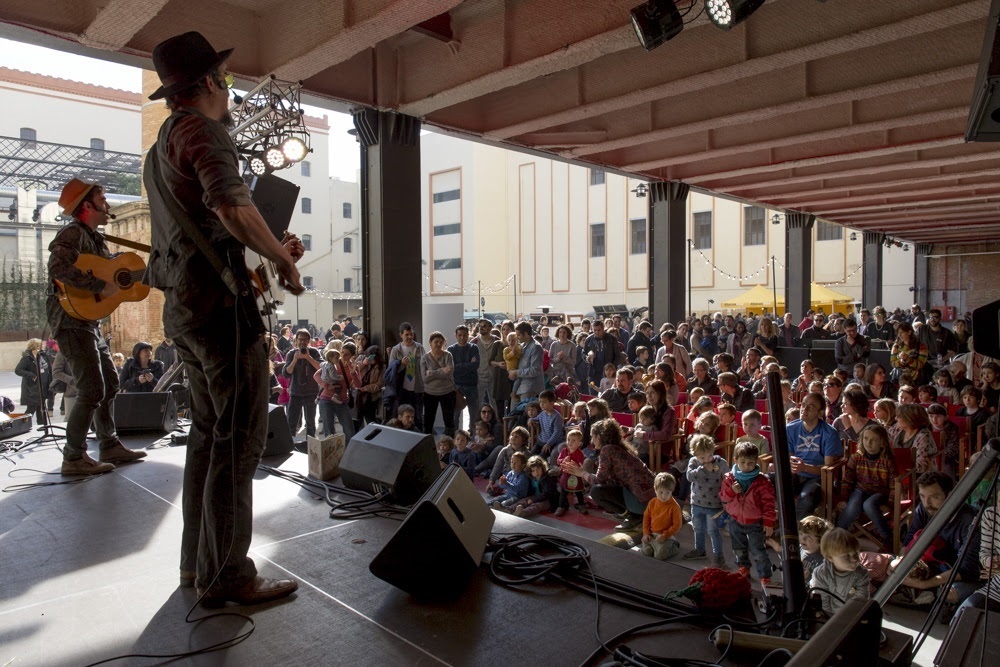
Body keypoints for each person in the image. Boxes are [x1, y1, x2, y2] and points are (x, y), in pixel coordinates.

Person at [144, 31, 304, 604]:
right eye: (227, 79)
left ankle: (198, 566)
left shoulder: (160, 147)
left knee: (210, 438)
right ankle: (229, 575)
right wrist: (282, 258)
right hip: (219, 315)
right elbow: (232, 207)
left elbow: (205, 231)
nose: (230, 91)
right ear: (210, 82)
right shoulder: (203, 132)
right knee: (238, 443)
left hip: (186, 311)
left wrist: (269, 247)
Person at [47, 179, 145, 475]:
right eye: (102, 200)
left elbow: (113, 274)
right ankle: (73, 457)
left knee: (111, 383)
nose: (108, 205)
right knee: (91, 389)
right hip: (71, 322)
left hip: (89, 322)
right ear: (87, 206)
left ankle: (109, 444)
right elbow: (58, 269)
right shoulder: (72, 233)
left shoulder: (97, 240)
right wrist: (99, 286)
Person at [887, 471, 981, 609]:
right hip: (929, 564)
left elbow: (966, 569)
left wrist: (924, 584)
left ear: (950, 494)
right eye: (922, 496)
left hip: (957, 572)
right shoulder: (924, 509)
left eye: (934, 497)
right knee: (883, 564)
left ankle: (928, 595)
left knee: (950, 593)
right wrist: (901, 563)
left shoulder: (971, 521)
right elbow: (909, 540)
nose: (927, 503)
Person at [561, 418, 655, 531]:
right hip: (650, 498)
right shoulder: (619, 448)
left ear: (598, 437)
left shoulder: (607, 450)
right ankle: (633, 514)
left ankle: (634, 517)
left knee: (596, 491)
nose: (591, 441)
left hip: (642, 502)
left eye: (592, 437)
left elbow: (598, 480)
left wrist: (582, 473)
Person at [720, 441, 776, 587]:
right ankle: (743, 567)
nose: (746, 466)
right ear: (735, 460)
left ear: (756, 461)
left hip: (754, 522)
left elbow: (769, 503)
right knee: (738, 548)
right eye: (743, 462)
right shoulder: (729, 478)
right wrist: (732, 491)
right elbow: (723, 497)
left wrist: (769, 521)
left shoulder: (762, 481)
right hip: (735, 520)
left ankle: (765, 576)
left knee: (758, 551)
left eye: (750, 463)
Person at [836, 426, 896, 550]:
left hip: (880, 493)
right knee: (853, 505)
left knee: (869, 504)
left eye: (874, 440)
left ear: (882, 443)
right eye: (866, 439)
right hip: (860, 489)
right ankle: (837, 534)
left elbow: (893, 486)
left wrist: (890, 504)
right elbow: (847, 480)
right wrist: (843, 498)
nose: (868, 443)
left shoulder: (887, 461)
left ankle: (887, 537)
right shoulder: (856, 457)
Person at [786, 393, 844, 520]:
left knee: (807, 497)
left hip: (816, 478)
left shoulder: (829, 433)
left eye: (810, 407)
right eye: (803, 405)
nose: (804, 409)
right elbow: (789, 457)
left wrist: (804, 467)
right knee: (765, 481)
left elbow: (826, 469)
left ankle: (796, 529)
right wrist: (792, 463)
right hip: (794, 475)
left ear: (820, 412)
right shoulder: (790, 428)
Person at [685, 434, 730, 566]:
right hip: (696, 503)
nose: (706, 460)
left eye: (709, 456)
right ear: (695, 455)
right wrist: (703, 469)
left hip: (714, 505)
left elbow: (727, 481)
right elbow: (689, 477)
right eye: (702, 457)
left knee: (713, 531)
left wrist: (726, 500)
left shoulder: (721, 463)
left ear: (713, 450)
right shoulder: (694, 462)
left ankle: (719, 556)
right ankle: (700, 550)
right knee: (698, 528)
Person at [810, 529, 870, 616]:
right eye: (847, 555)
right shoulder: (821, 574)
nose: (854, 559)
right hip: (828, 616)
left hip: (851, 615)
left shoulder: (861, 574)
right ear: (830, 558)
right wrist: (829, 618)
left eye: (856, 553)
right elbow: (822, 603)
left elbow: (861, 602)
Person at [283, 329, 322, 437]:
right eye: (300, 339)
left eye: (305, 340)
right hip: (295, 393)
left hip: (311, 393)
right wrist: (295, 360)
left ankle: (310, 445)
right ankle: (291, 444)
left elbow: (321, 368)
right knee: (291, 423)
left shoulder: (314, 352)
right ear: (296, 340)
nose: (302, 342)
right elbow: (286, 373)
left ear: (309, 341)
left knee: (310, 424)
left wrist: (308, 357)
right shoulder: (291, 353)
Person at [389, 322, 426, 430]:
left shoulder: (419, 348)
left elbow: (425, 365)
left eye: (411, 334)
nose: (410, 337)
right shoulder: (396, 350)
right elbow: (391, 371)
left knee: (418, 417)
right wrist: (401, 365)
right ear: (401, 335)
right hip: (402, 390)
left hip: (417, 389)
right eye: (407, 334)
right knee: (401, 417)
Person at [421, 331, 457, 438]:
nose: (438, 344)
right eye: (436, 342)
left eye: (441, 342)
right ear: (430, 343)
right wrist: (442, 370)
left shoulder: (448, 355)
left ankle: (449, 442)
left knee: (449, 420)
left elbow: (449, 374)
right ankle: (427, 443)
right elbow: (425, 378)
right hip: (430, 393)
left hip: (448, 392)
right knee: (429, 420)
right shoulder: (425, 358)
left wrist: (431, 372)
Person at [641, 473, 683, 561]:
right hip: (652, 534)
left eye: (668, 493)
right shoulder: (652, 502)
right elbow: (646, 518)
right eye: (661, 492)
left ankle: (674, 546)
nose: (664, 496)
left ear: (672, 491)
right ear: (655, 489)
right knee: (646, 551)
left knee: (659, 556)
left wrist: (665, 535)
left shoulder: (675, 507)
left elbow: (677, 525)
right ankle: (655, 547)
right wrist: (646, 533)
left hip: (667, 536)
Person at [448, 325, 479, 430]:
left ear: (468, 335)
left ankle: (473, 434)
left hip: (472, 385)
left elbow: (476, 365)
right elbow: (452, 368)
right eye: (460, 335)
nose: (462, 337)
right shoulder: (451, 349)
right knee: (455, 414)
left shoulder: (474, 348)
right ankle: (455, 435)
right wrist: (468, 365)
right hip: (456, 386)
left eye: (464, 335)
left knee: (473, 414)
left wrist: (460, 366)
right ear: (455, 335)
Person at [893, 403, 938, 474]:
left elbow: (922, 466)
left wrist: (897, 465)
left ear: (909, 419)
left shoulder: (923, 436)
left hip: (918, 475)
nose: (895, 418)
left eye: (899, 416)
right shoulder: (898, 429)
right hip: (900, 470)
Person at [15, 339, 51, 425]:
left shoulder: (43, 355)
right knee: (31, 408)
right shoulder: (27, 357)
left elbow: (48, 369)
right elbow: (18, 370)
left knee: (41, 408)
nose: (43, 346)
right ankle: (22, 425)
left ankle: (42, 426)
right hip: (32, 388)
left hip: (42, 387)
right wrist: (31, 375)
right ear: (35, 346)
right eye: (41, 345)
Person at [555, 429, 589, 516]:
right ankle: (561, 506)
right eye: (568, 439)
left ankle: (581, 505)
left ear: (579, 443)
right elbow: (558, 460)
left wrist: (574, 463)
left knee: (579, 492)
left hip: (575, 475)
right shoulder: (564, 451)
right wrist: (563, 460)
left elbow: (580, 464)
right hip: (566, 475)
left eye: (573, 440)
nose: (570, 442)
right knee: (563, 492)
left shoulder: (580, 453)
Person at [511, 321, 544, 402]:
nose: (517, 337)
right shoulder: (521, 346)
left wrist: (516, 372)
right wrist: (514, 390)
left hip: (530, 388)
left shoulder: (536, 347)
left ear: (526, 334)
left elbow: (535, 370)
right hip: (519, 387)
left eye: (519, 335)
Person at [800, 516, 833, 584]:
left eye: (808, 536)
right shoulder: (798, 549)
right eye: (801, 534)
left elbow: (820, 582)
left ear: (820, 541)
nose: (803, 539)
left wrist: (807, 578)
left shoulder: (822, 561)